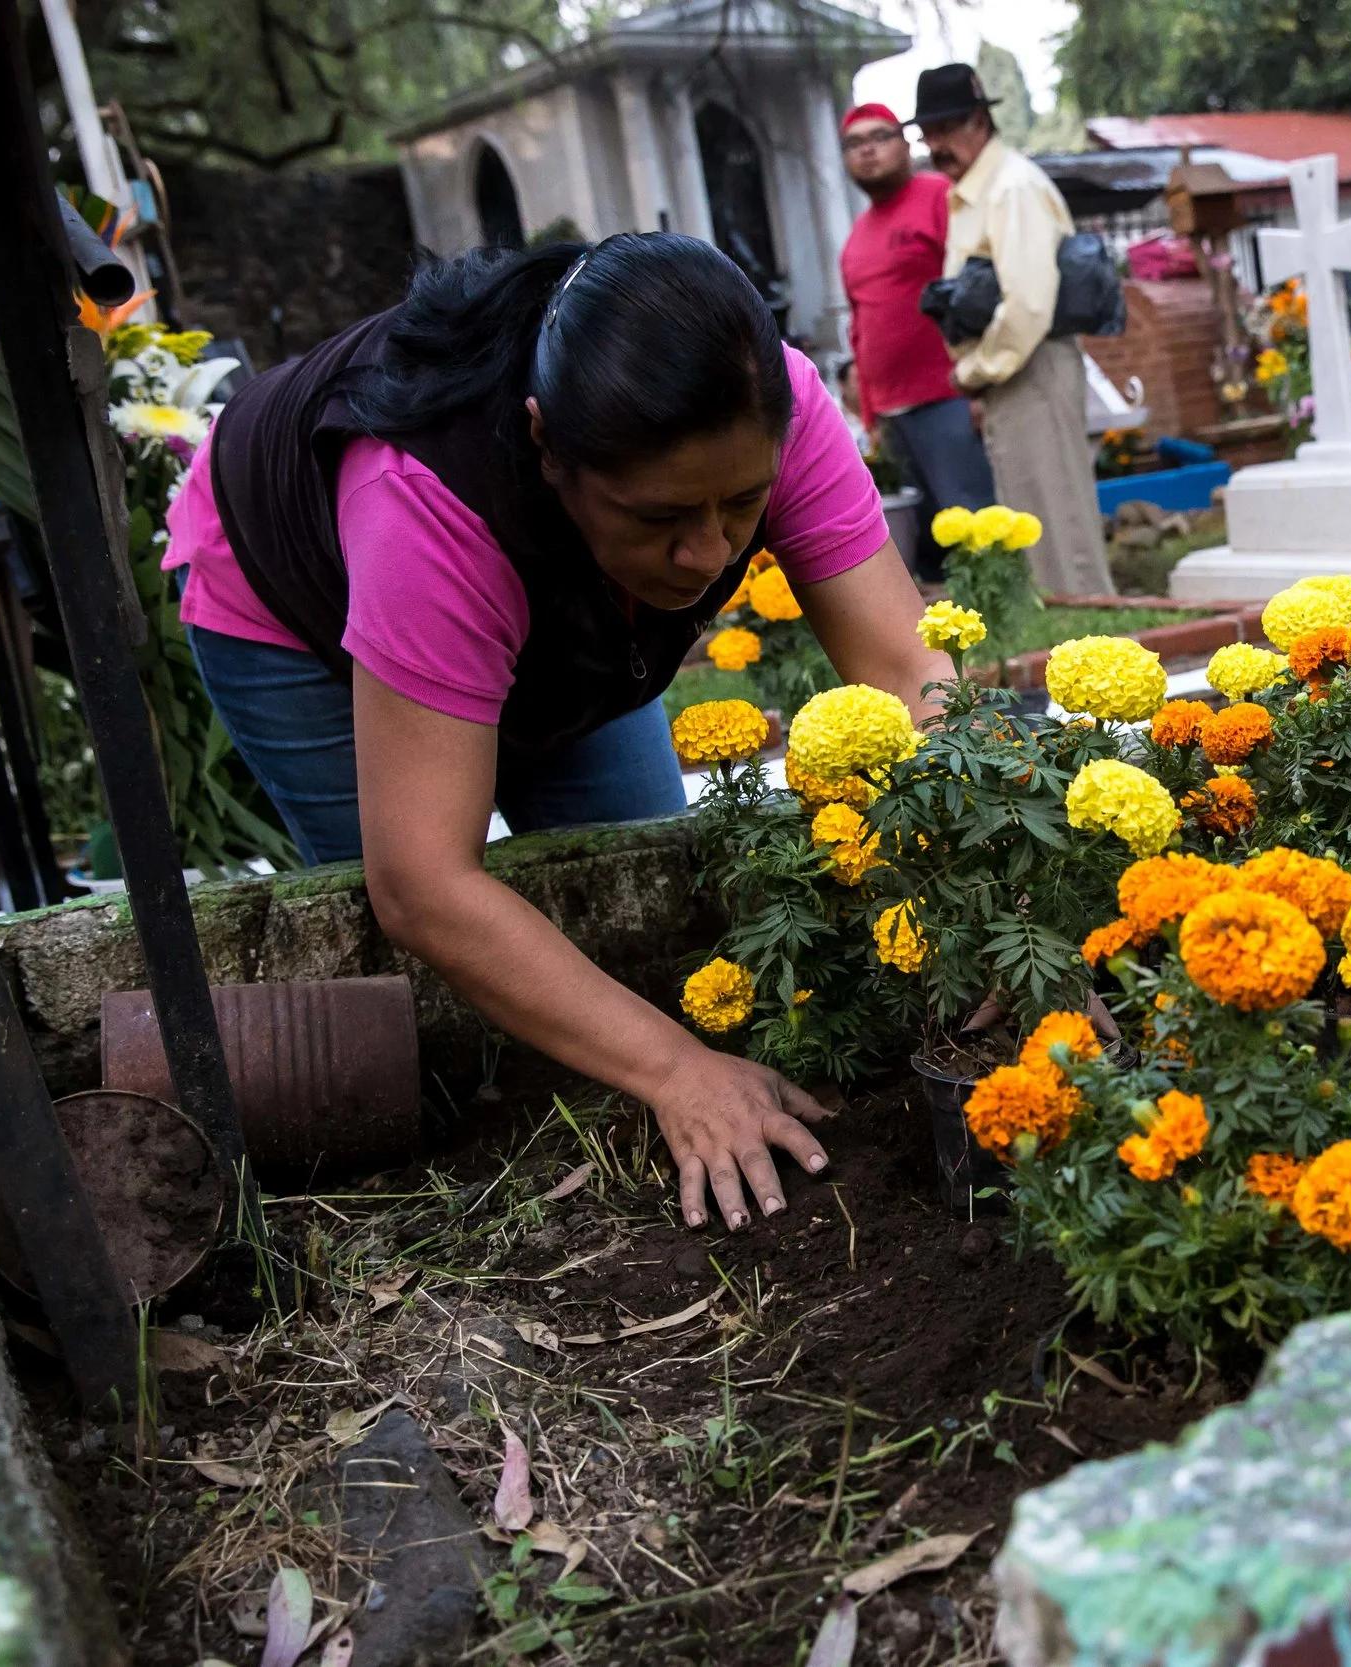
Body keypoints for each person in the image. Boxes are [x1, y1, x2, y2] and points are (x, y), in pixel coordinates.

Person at [163, 233, 950, 1235]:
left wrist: (992, 900)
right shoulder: (424, 495)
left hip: (566, 608)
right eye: (661, 514)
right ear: (546, 442)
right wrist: (673, 1070)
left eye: (740, 506)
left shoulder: (760, 403)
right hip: (289, 603)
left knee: (638, 901)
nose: (708, 554)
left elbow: (902, 667)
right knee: (428, 966)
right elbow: (424, 884)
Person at [908, 63, 1114, 596]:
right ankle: (1073, 660)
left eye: (947, 128)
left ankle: (1102, 663)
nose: (936, 144)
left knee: (1059, 530)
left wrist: (975, 372)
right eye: (928, 133)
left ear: (980, 121)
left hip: (1031, 365)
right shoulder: (978, 190)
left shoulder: (1010, 188)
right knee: (1038, 527)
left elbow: (1027, 304)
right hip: (1016, 372)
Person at [837, 100, 996, 582]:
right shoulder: (855, 239)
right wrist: (871, 417)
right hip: (891, 415)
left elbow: (978, 289)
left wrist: (980, 384)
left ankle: (1008, 625)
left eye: (879, 137)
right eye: (854, 144)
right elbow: (861, 331)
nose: (867, 152)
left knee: (972, 528)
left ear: (905, 145)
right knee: (925, 546)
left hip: (949, 396)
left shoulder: (940, 197)